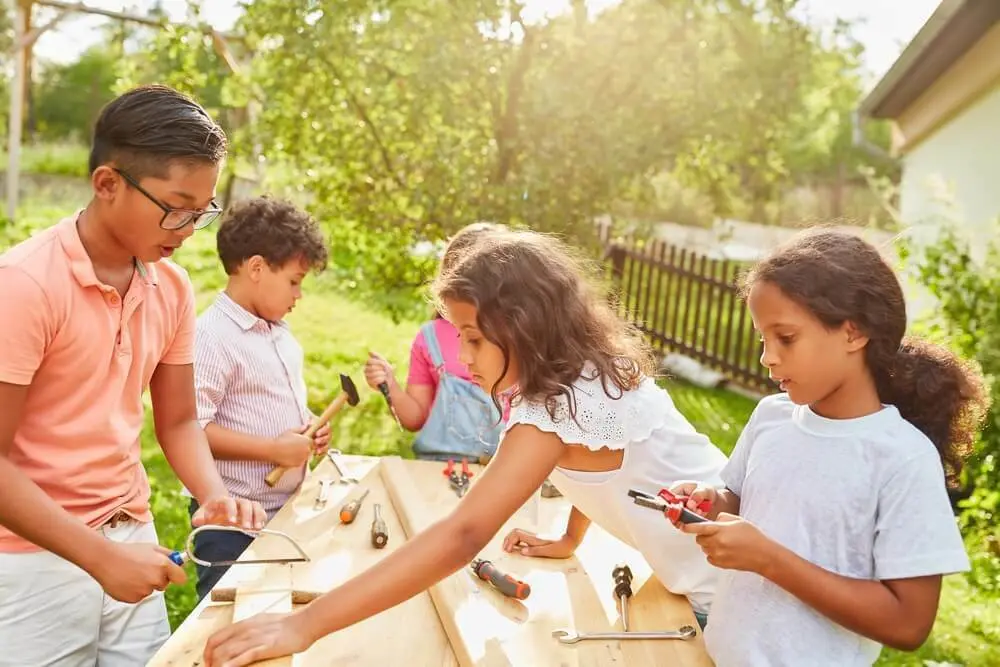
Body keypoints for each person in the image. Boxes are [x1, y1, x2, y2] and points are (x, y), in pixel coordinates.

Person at [202, 229, 728, 666]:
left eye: (473, 338)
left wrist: (305, 624)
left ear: (525, 327)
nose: (462, 355)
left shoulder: (556, 410)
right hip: (708, 575)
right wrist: (571, 535)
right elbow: (614, 465)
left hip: (727, 594)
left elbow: (463, 535)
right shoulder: (582, 375)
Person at [0, 84, 267, 666]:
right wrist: (97, 556)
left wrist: (213, 492)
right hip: (32, 555)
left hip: (132, 534)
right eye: (176, 206)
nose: (189, 227)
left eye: (203, 210)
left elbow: (177, 419)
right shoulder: (23, 286)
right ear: (107, 183)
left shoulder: (169, 286)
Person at [664, 230, 989, 666]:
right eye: (764, 338)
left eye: (786, 338)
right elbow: (744, 502)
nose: (767, 357)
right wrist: (710, 503)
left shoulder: (902, 458)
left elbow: (909, 624)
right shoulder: (771, 417)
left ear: (853, 333)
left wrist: (769, 561)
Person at [187, 196, 332, 600]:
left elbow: (275, 403)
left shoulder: (279, 331)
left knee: (276, 610)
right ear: (256, 268)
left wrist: (311, 428)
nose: (299, 294)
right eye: (294, 280)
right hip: (231, 523)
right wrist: (272, 450)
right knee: (228, 616)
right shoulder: (211, 337)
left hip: (284, 511)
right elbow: (192, 428)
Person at [364, 222, 507, 462]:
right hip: (439, 469)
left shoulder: (515, 334)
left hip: (502, 467)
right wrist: (390, 385)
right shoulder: (430, 337)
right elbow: (414, 419)